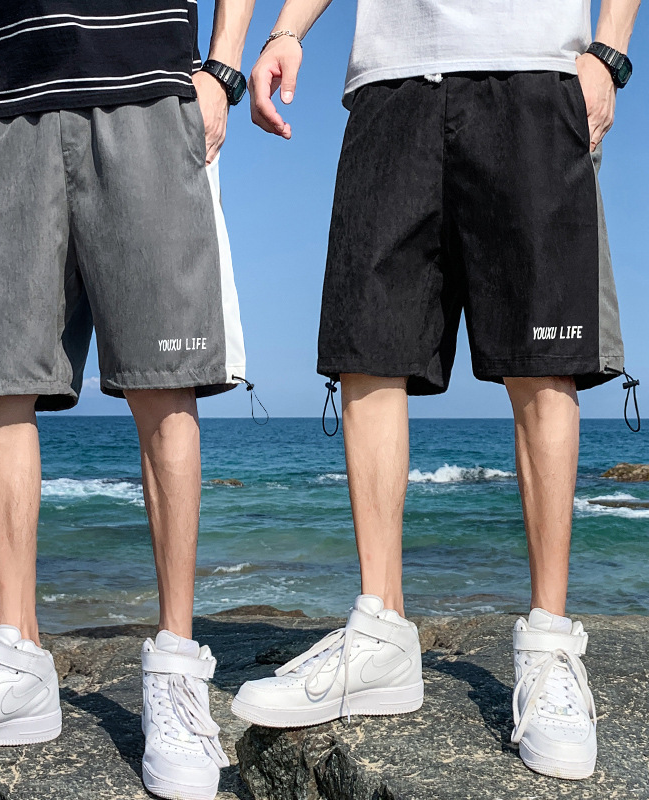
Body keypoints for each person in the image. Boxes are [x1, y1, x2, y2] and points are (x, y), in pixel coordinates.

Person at [232, 0, 639, 782]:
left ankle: (551, 642)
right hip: (389, 80)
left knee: (543, 360)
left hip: (534, 69)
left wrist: (609, 53)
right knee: (368, 351)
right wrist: (287, 31)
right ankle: (381, 632)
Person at [0, 1, 254, 797]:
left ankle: (176, 667)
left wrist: (222, 69)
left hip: (147, 88)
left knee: (165, 382)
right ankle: (16, 662)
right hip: (6, 102)